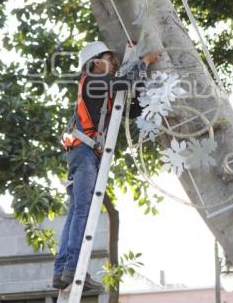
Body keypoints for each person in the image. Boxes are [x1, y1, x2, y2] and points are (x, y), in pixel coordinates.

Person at [52, 41, 160, 291]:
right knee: (82, 212)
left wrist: (140, 79)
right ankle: (74, 268)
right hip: (84, 153)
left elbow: (131, 109)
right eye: (108, 59)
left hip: (83, 153)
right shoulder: (92, 80)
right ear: (94, 62)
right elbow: (124, 83)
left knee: (76, 212)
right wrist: (144, 61)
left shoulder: (101, 89)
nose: (112, 64)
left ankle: (62, 271)